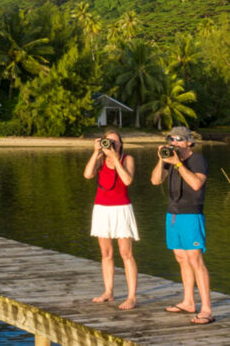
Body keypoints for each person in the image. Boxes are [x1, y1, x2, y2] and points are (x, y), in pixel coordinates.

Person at [150, 125, 213, 324]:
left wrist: (178, 164)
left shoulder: (197, 160)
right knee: (181, 258)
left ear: (189, 142)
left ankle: (207, 309)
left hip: (191, 215)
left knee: (195, 260)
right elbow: (155, 181)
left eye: (178, 140)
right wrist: (162, 160)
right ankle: (188, 301)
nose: (174, 143)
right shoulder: (170, 159)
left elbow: (196, 184)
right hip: (173, 215)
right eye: (171, 139)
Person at [83, 130, 138, 309]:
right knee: (106, 253)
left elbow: (127, 180)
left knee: (126, 253)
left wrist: (115, 157)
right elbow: (88, 174)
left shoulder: (126, 159)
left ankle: (131, 297)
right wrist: (95, 152)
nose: (112, 145)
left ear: (121, 144)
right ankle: (108, 291)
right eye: (108, 141)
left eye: (115, 142)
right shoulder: (100, 160)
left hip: (121, 208)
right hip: (102, 209)